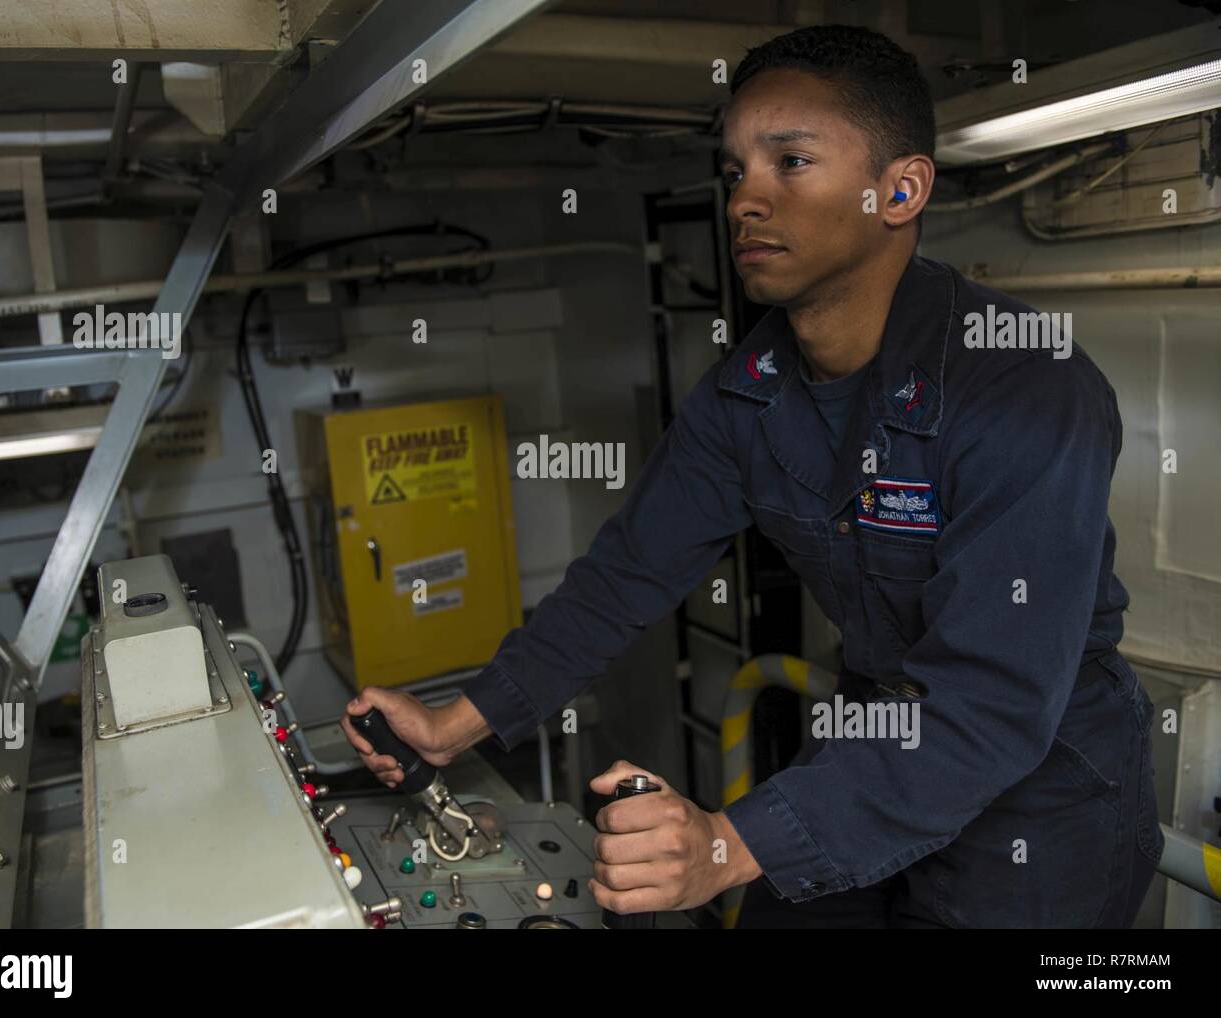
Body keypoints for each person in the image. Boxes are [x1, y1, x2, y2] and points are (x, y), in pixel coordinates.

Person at [342, 24, 1162, 928]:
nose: (746, 202)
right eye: (737, 171)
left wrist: (725, 845)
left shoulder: (1023, 388)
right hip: (877, 742)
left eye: (791, 162)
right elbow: (624, 578)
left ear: (900, 189)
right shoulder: (746, 396)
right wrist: (454, 724)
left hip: (1041, 792)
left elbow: (991, 705)